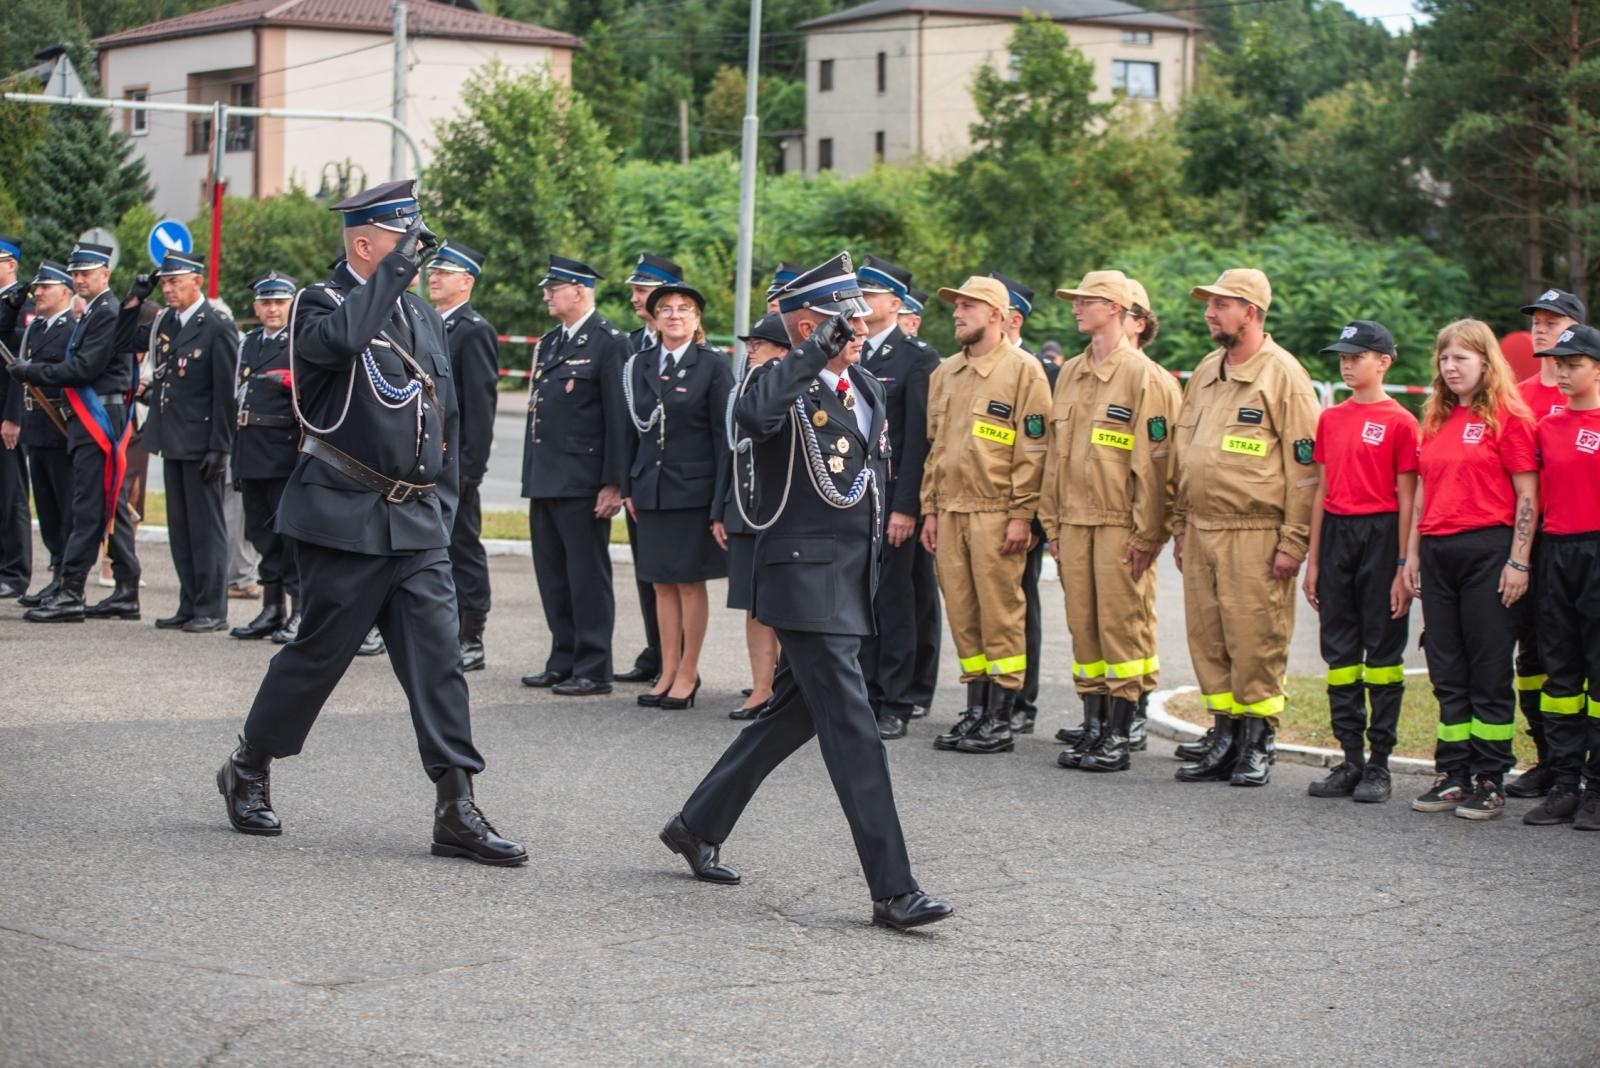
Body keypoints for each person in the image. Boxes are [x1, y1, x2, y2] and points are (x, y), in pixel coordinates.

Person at [214, 179, 524, 865]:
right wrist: (392, 273)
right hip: (344, 514)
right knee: (317, 657)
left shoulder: (422, 315)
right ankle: (250, 764)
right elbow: (347, 339)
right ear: (364, 244)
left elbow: (444, 414)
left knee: (440, 662)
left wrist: (441, 504)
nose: (416, 249)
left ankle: (456, 805)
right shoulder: (316, 305)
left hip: (415, 521)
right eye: (400, 238)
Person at [659, 253, 951, 930]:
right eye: (839, 318)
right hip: (800, 579)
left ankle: (696, 825)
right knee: (852, 728)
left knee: (791, 715)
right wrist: (809, 347)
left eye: (855, 315)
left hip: (851, 580)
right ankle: (893, 889)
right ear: (807, 322)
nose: (857, 325)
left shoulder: (868, 390)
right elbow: (755, 415)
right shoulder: (774, 382)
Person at [1170, 269, 1320, 788]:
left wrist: (1293, 541)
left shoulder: (1283, 375)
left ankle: (1258, 742)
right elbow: (1185, 456)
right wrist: (1182, 526)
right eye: (1209, 305)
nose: (1210, 313)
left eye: (1220, 305)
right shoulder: (1208, 369)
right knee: (1209, 637)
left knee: (1255, 637)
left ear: (1250, 312)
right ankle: (1224, 735)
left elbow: (1306, 472)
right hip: (1204, 527)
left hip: (1256, 531)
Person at [1040, 270, 1179, 773]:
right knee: (1084, 628)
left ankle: (1120, 731)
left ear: (1119, 309)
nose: (1077, 307)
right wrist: (1051, 524)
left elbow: (1159, 465)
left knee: (1121, 627)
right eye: (1076, 300)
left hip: (1120, 521)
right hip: (1074, 521)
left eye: (1088, 301)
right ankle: (1095, 725)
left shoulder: (1145, 378)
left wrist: (1148, 534)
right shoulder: (1072, 372)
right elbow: (1054, 455)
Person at [1401, 320, 1538, 820]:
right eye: (1444, 358)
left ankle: (1490, 776)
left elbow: (1528, 494)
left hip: (1488, 550)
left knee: (1488, 669)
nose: (1450, 367)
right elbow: (1424, 497)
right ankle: (1454, 772)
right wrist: (1411, 557)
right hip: (1437, 552)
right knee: (1447, 669)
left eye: (1461, 357)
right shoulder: (1435, 419)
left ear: (1486, 361)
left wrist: (1517, 560)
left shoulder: (1510, 418)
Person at [921, 275, 1052, 755]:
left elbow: (1034, 449)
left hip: (997, 511)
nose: (957, 313)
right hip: (951, 511)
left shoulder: (1024, 371)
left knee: (1001, 614)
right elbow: (935, 450)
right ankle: (975, 710)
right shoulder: (946, 373)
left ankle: (1002, 714)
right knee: (964, 613)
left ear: (996, 315)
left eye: (969, 307)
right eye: (956, 307)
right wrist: (930, 510)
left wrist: (1023, 515)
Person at [1301, 320, 1419, 804]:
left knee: (1383, 656)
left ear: (1384, 361)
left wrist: (1401, 565)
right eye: (1342, 358)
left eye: (1357, 356)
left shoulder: (1401, 421)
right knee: (1340, 654)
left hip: (1381, 532)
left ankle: (1379, 764)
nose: (1347, 364)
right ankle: (1349, 757)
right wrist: (1314, 560)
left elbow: (1409, 498)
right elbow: (1322, 491)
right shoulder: (1330, 418)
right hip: (1338, 537)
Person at [7, 241, 141, 623]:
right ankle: (128, 588)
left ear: (106, 274)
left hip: (99, 415)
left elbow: (84, 368)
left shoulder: (106, 312)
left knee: (87, 506)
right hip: (89, 416)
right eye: (76, 273)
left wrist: (30, 372)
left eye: (86, 273)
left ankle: (71, 592)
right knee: (107, 501)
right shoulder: (93, 312)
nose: (80, 279)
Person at [519, 255, 630, 696]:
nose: (547, 294)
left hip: (584, 481)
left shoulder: (608, 342)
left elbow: (618, 420)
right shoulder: (550, 343)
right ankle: (562, 657)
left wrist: (613, 483)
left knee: (587, 576)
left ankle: (594, 665)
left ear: (580, 290)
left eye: (555, 287)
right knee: (553, 574)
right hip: (547, 476)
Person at [622, 283, 731, 709]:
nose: (674, 316)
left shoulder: (712, 366)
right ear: (654, 318)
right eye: (665, 309)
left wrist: (721, 502)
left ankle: (688, 671)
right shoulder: (639, 364)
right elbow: (629, 430)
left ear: (698, 319)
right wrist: (628, 484)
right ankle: (667, 669)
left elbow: (725, 439)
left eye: (684, 309)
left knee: (688, 583)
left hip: (693, 491)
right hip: (650, 488)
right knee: (660, 584)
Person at [123, 250, 239, 632]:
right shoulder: (165, 323)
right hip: (172, 437)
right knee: (182, 529)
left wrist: (220, 447)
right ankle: (189, 602)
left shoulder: (216, 326)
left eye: (175, 281)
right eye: (165, 282)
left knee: (207, 529)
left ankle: (212, 608)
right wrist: (134, 300)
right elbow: (122, 341)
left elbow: (225, 393)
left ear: (196, 281)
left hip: (202, 441)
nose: (169, 289)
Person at [854, 255, 942, 739]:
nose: (862, 302)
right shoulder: (851, 351)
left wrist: (907, 506)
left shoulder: (916, 359)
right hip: (853, 496)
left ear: (896, 303)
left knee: (894, 599)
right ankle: (864, 690)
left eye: (871, 294)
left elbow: (918, 442)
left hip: (892, 496)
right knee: (860, 597)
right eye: (859, 293)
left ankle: (896, 698)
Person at [1506, 288, 1587, 801]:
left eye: (1552, 320)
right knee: (1533, 659)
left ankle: (1587, 767)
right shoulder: (1517, 397)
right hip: (1535, 546)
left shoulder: (1591, 391)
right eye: (1535, 319)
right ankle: (1549, 761)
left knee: (1583, 660)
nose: (1540, 327)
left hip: (1583, 544)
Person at [1524, 323, 1600, 830]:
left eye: (1574, 364)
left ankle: (1597, 788)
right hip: (1555, 551)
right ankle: (1565, 782)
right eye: (1560, 364)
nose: (1564, 372)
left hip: (1596, 549)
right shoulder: (1546, 427)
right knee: (1561, 675)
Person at [426, 241, 500, 672]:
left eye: (445, 272)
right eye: (433, 271)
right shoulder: (430, 323)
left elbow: (480, 405)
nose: (433, 277)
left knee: (464, 546)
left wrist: (471, 468)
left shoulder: (473, 330)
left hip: (457, 465)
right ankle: (441, 630)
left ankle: (472, 635)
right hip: (425, 461)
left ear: (467, 281)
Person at [712, 312, 787, 720]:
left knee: (784, 606)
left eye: (760, 342)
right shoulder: (744, 385)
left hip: (778, 513)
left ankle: (786, 689)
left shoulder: (783, 386)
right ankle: (761, 688)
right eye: (750, 343)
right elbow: (730, 450)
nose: (751, 348)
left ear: (784, 349)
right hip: (744, 508)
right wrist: (721, 510)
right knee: (753, 606)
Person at [989, 270, 1055, 734]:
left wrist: (1029, 516)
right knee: (988, 608)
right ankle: (991, 699)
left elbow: (1039, 447)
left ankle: (1022, 701)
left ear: (1012, 318)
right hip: (977, 507)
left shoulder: (1036, 368)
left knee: (1020, 601)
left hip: (1022, 508)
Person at [616, 253, 686, 685]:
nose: (636, 296)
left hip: (679, 480)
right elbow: (621, 424)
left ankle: (676, 658)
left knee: (676, 575)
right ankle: (656, 648)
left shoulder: (694, 349)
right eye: (637, 290)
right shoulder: (629, 345)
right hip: (642, 478)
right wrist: (623, 481)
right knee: (648, 571)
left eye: (644, 290)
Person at [228, 271, 302, 641]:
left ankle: (298, 611)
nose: (273, 309)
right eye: (266, 302)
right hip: (251, 448)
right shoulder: (250, 342)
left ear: (292, 304)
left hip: (283, 450)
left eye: (280, 302)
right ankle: (271, 608)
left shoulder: (299, 341)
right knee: (261, 534)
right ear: (256, 307)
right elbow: (237, 396)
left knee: (288, 536)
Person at [13, 261, 75, 607]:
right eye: (37, 288)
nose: (37, 293)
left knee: (66, 507)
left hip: (60, 427)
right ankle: (55, 571)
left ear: (65, 292)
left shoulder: (71, 328)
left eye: (45, 288)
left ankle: (66, 576)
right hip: (36, 427)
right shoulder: (35, 327)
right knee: (48, 509)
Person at [0, 235, 33, 598]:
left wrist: (13, 416)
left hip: (5, 413)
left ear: (11, 264)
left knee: (11, 494)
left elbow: (17, 366)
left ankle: (15, 570)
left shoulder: (19, 303)